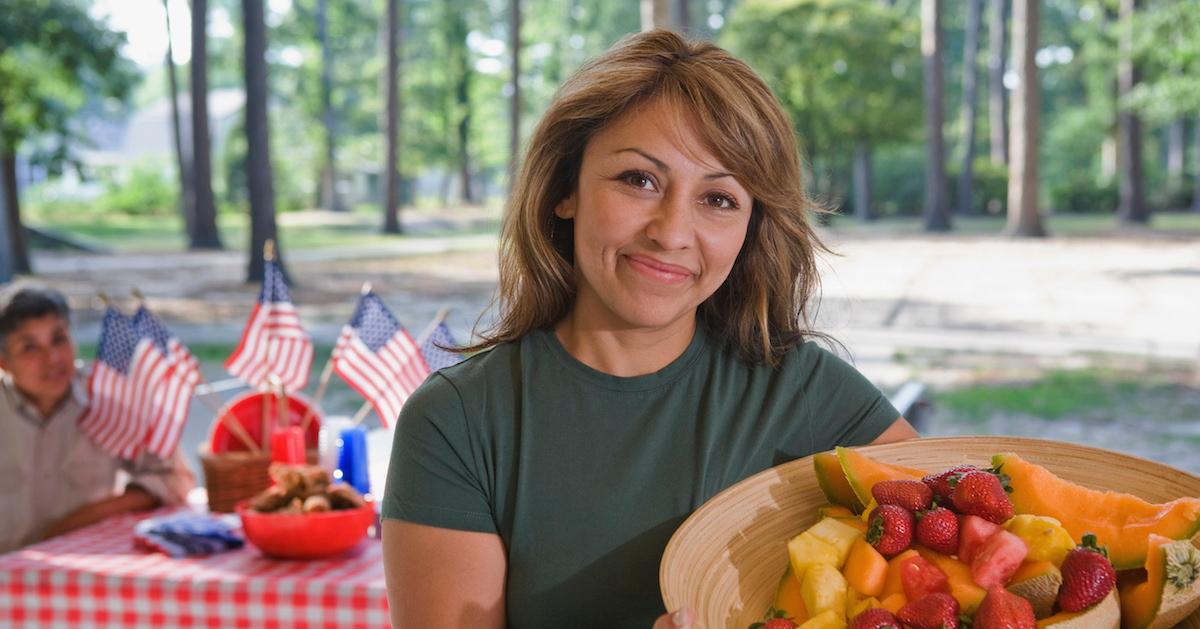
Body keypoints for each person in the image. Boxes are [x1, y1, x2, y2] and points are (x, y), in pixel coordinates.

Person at [381, 30, 919, 628]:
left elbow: (963, 557)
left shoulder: (809, 391)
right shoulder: (459, 421)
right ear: (566, 190)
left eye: (718, 199)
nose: (671, 231)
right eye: (639, 180)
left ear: (750, 230)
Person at [0, 286, 195, 554]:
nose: (53, 359)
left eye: (59, 339)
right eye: (30, 347)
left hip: (84, 572)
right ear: (3, 362)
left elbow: (174, 479)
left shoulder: (109, 398)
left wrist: (84, 518)